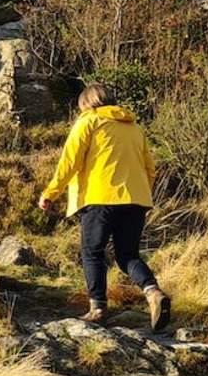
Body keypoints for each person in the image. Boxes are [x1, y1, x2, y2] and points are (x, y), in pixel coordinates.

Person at [36, 84, 172, 331]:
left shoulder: (88, 121)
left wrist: (51, 193)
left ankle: (97, 307)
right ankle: (153, 292)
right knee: (128, 254)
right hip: (135, 199)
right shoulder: (134, 127)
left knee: (92, 252)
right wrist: (141, 193)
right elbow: (149, 168)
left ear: (86, 104)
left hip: (99, 198)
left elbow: (70, 161)